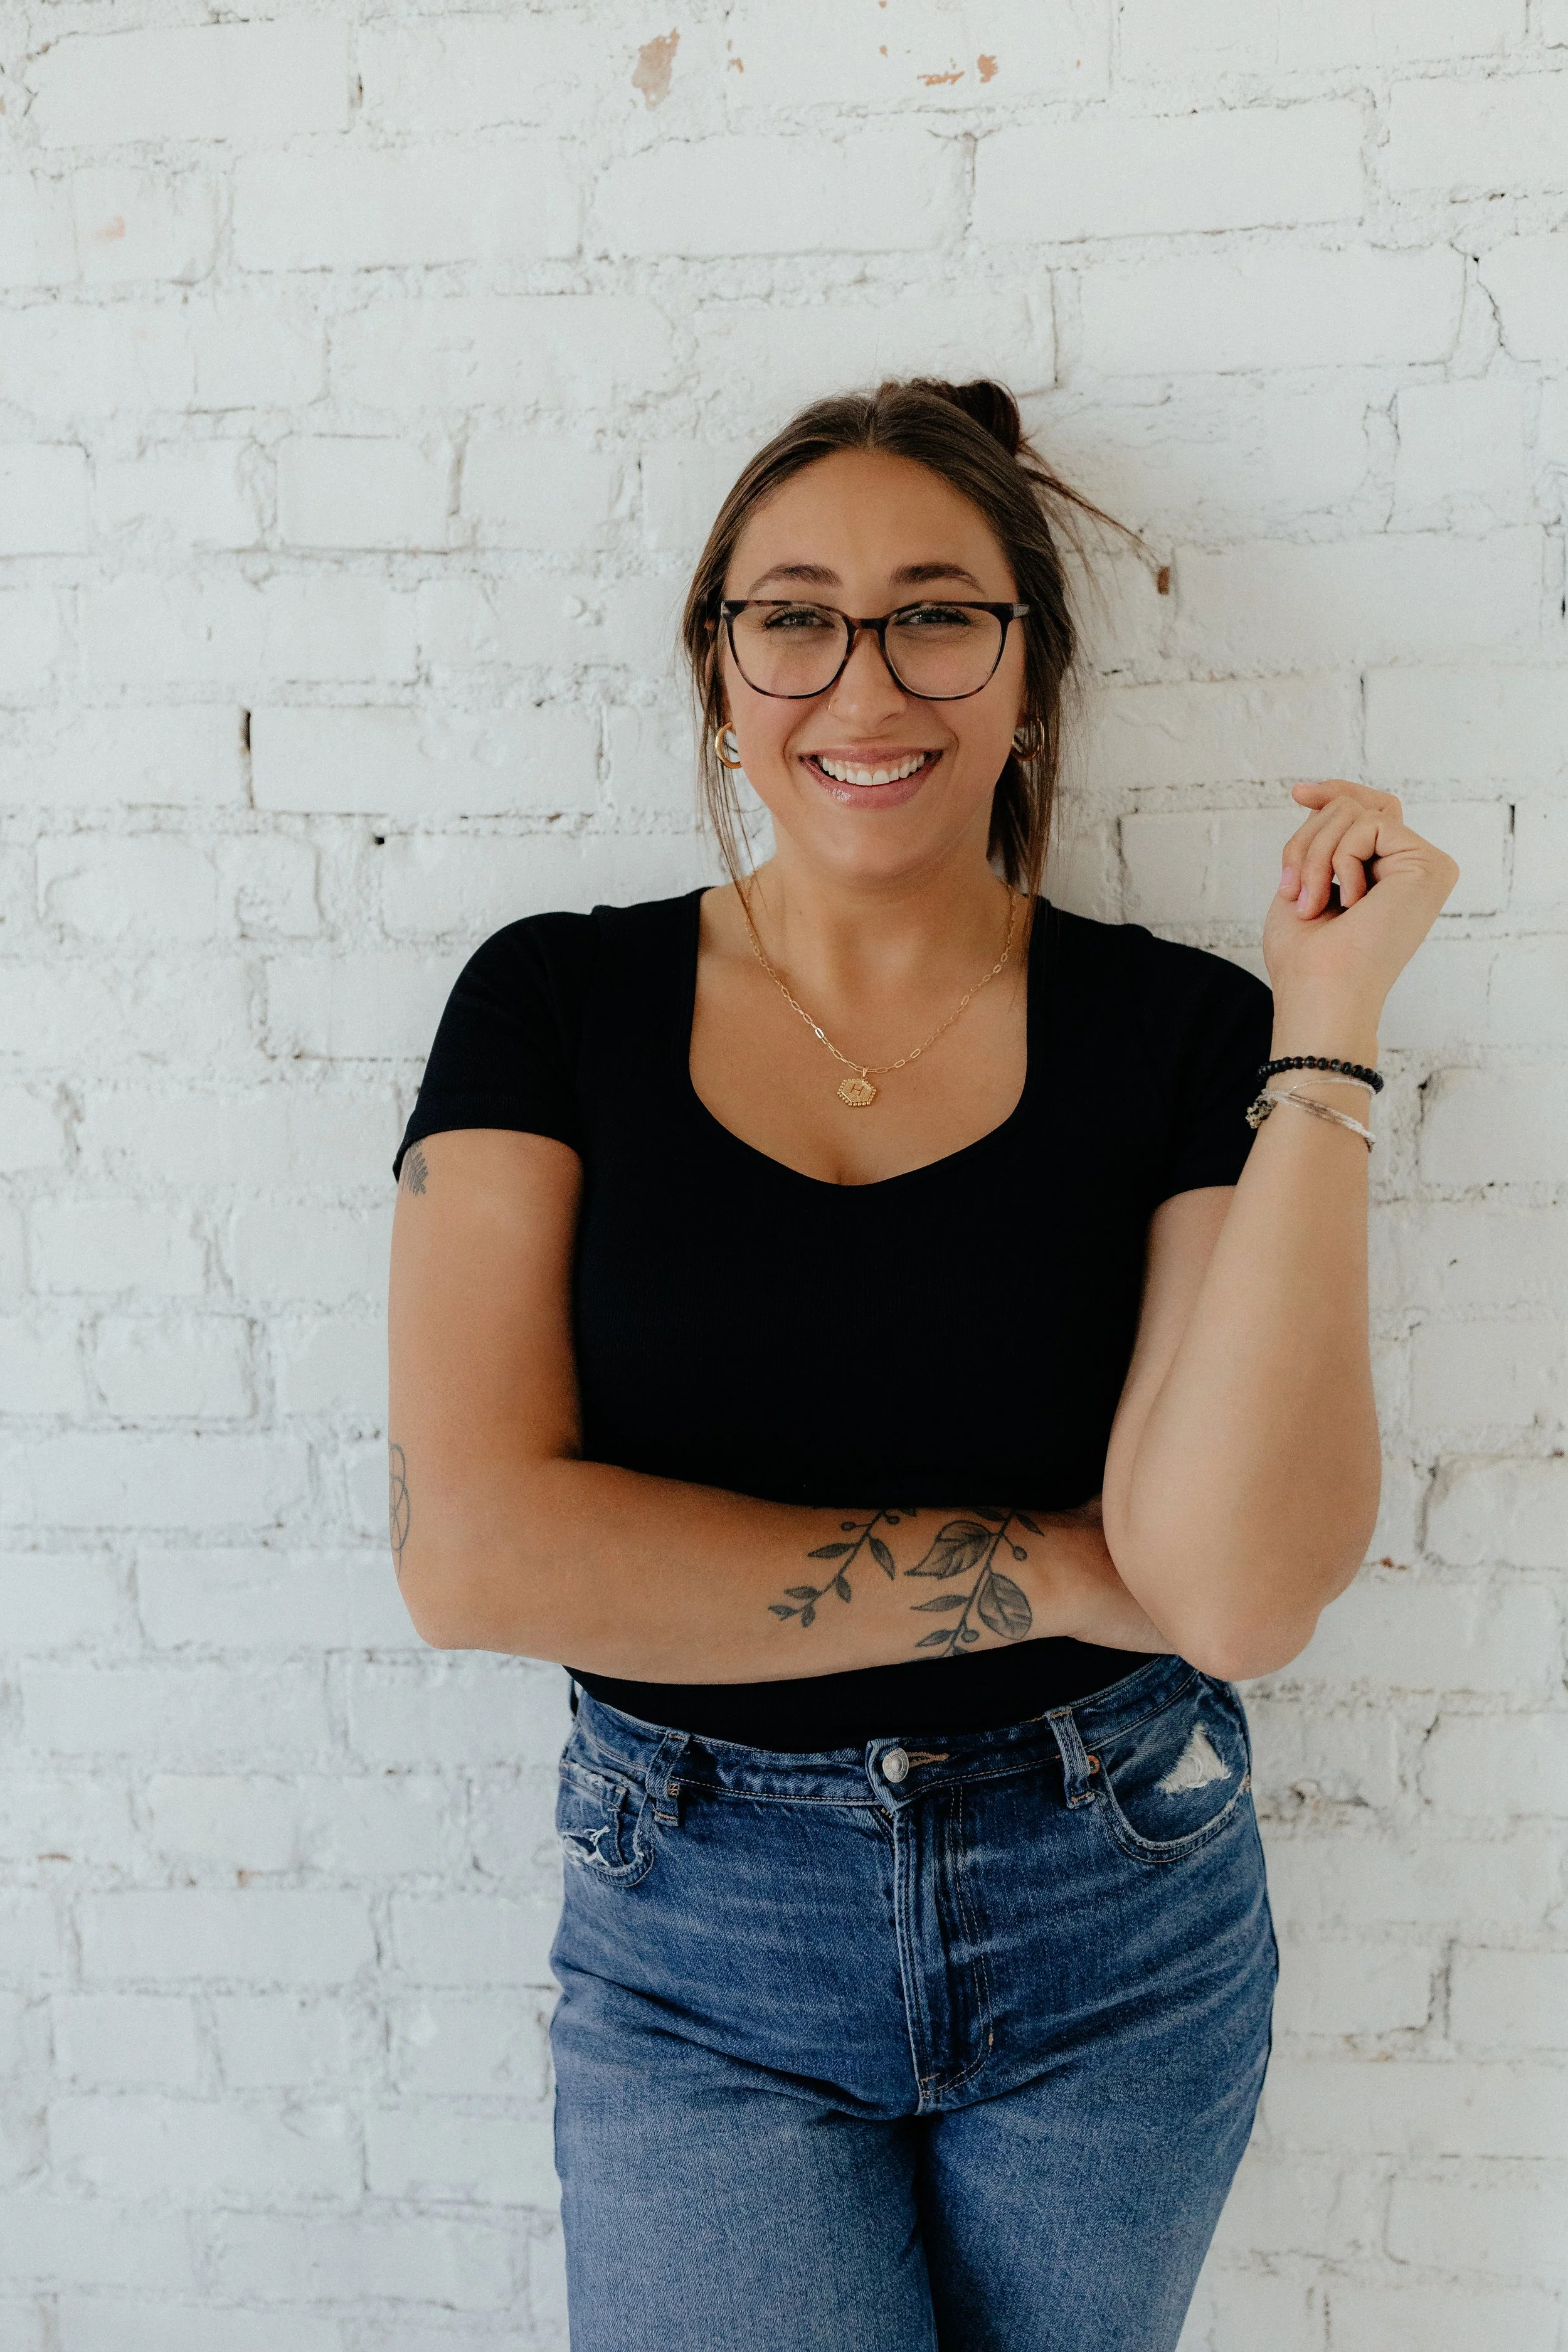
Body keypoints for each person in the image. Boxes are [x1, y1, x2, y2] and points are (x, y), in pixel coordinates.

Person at [386, 379, 1458, 2352]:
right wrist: (1048, 1565)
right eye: (789, 615)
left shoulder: (1178, 1031)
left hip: (1111, 1899)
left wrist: (1322, 1031)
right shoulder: (551, 1002)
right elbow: (478, 1553)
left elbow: (1225, 1586)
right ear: (719, 668)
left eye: (936, 613)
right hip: (699, 1924)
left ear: (1026, 671)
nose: (858, 681)